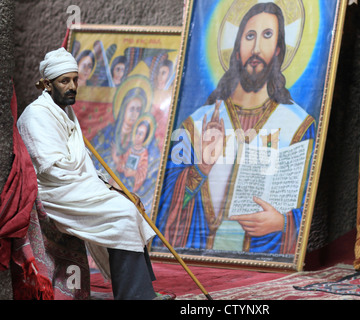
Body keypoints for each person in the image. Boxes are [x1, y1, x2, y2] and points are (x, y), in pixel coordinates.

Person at [154, 3, 316, 255]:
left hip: (263, 262)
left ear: (279, 50)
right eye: (249, 36)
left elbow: (307, 198)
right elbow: (162, 204)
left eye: (267, 36)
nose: (256, 48)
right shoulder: (198, 123)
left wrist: (284, 222)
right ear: (236, 48)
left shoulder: (297, 125)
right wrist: (200, 169)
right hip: (195, 259)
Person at [17, 47, 169, 300]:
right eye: (64, 81)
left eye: (75, 79)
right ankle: (136, 295)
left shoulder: (65, 112)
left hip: (74, 186)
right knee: (123, 213)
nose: (72, 86)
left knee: (129, 206)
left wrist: (112, 187)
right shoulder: (36, 115)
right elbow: (55, 171)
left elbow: (80, 163)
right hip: (54, 192)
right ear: (47, 84)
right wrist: (105, 188)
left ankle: (142, 290)